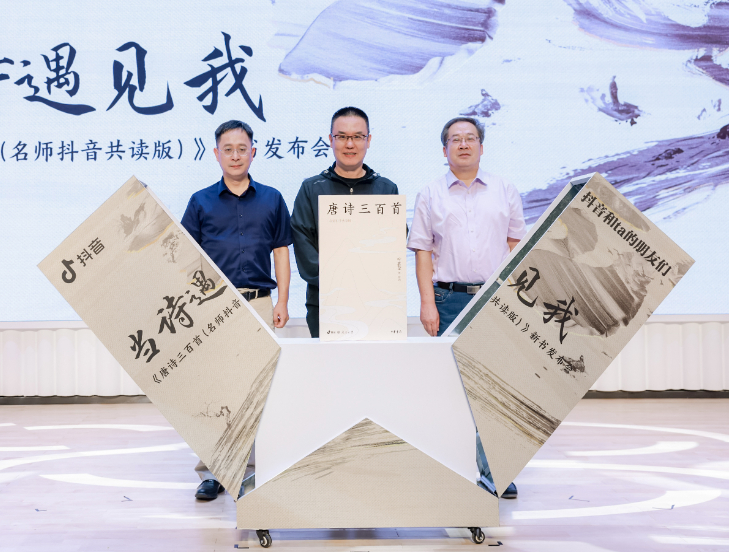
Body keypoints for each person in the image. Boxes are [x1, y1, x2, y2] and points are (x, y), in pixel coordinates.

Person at [406, 116, 527, 499]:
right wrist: (427, 303)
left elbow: (517, 245)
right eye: (455, 139)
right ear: (444, 150)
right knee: (455, 388)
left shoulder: (504, 190)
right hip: (449, 299)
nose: (463, 144)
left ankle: (497, 471)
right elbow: (422, 251)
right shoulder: (431, 193)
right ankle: (457, 467)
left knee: (496, 387)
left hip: (495, 299)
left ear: (481, 146)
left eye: (470, 138)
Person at [180, 119, 293, 501]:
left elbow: (281, 251)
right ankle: (212, 473)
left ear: (253, 152)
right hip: (215, 308)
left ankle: (255, 471)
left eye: (242, 149)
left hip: (259, 303)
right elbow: (186, 259)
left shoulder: (272, 199)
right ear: (216, 154)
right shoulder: (200, 201)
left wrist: (282, 300)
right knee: (213, 391)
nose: (235, 155)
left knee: (257, 390)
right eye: (227, 149)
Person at [290, 106, 400, 338]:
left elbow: (394, 247)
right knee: (329, 362)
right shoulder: (311, 188)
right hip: (325, 303)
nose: (350, 144)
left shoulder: (386, 190)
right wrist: (340, 283)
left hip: (377, 304)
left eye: (358, 137)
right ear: (331, 140)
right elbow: (304, 245)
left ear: (368, 140)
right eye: (342, 137)